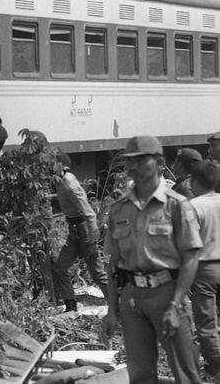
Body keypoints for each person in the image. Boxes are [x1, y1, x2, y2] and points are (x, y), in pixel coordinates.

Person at [101, 136, 202, 383]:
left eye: (141, 160)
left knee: (185, 373)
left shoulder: (177, 205)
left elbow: (191, 258)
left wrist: (176, 304)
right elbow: (113, 263)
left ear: (159, 161)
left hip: (167, 294)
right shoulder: (118, 209)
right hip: (132, 298)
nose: (133, 166)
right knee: (141, 376)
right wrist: (111, 310)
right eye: (129, 161)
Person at [51, 151, 109, 312]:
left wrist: (92, 239)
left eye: (52, 163)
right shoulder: (60, 180)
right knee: (60, 268)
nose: (49, 167)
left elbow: (89, 213)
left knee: (97, 273)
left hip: (83, 230)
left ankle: (117, 306)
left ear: (61, 165)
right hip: (73, 231)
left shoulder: (70, 183)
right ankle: (71, 307)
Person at [189, 160, 220, 380]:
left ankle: (216, 367)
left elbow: (186, 243)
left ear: (195, 181)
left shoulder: (193, 206)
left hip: (205, 268)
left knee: (207, 323)